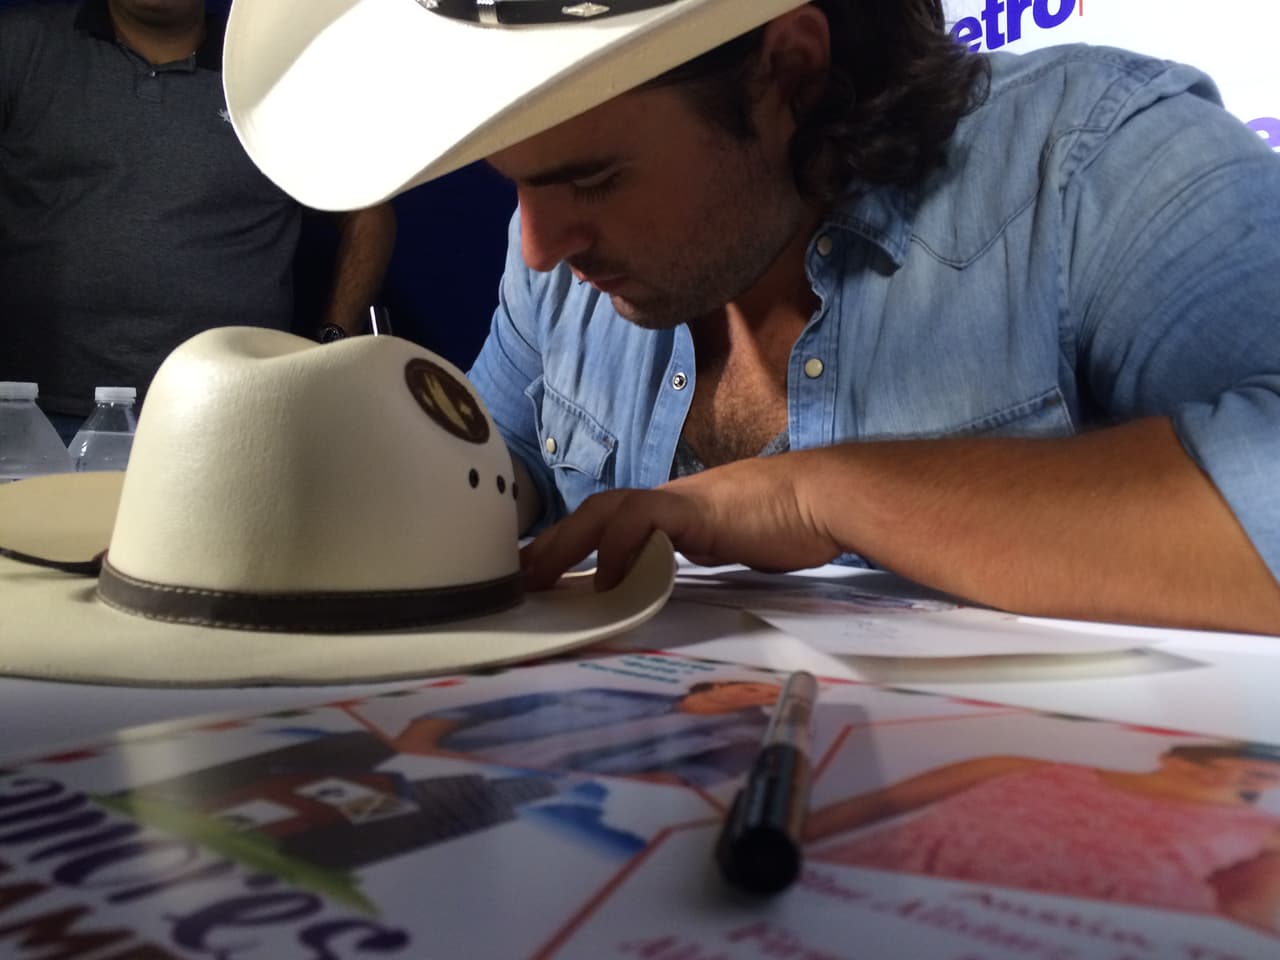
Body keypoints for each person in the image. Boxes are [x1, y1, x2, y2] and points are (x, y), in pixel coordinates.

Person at [224, 0, 1280, 635]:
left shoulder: (1099, 164)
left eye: (591, 179)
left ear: (786, 72)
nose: (537, 245)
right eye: (516, 186)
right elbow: (499, 470)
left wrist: (823, 493)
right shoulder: (547, 257)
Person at [0, 0, 396, 438]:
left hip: (231, 420)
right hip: (31, 416)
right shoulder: (23, 46)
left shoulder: (275, 71)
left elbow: (367, 215)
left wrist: (332, 343)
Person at [802, 743, 1280, 928]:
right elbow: (872, 806)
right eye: (1242, 768)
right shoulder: (1011, 765)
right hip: (861, 906)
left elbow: (1249, 919)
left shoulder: (1261, 832)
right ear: (1175, 758)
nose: (1246, 782)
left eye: (1263, 781)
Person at [392, 680, 784, 788]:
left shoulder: (743, 740)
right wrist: (418, 748)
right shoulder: (608, 691)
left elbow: (688, 780)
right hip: (433, 760)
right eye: (752, 687)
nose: (760, 696)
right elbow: (466, 709)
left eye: (768, 694)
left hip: (531, 792)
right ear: (713, 686)